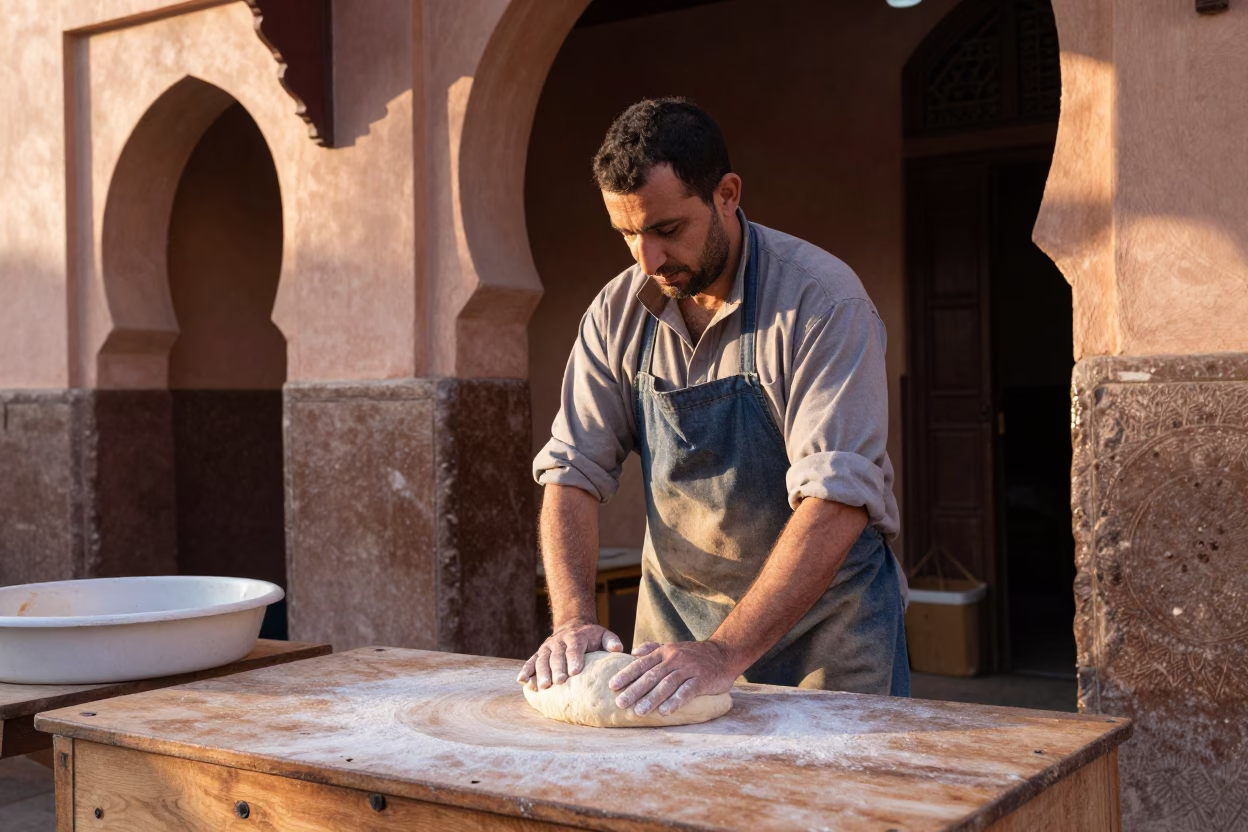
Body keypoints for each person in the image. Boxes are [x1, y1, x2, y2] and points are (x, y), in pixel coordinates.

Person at [520, 98, 908, 718]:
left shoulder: (821, 301)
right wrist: (572, 620)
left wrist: (724, 653)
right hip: (673, 638)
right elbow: (572, 472)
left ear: (726, 194)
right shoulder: (617, 313)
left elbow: (837, 501)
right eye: (627, 235)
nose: (646, 260)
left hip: (828, 641)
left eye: (667, 230)